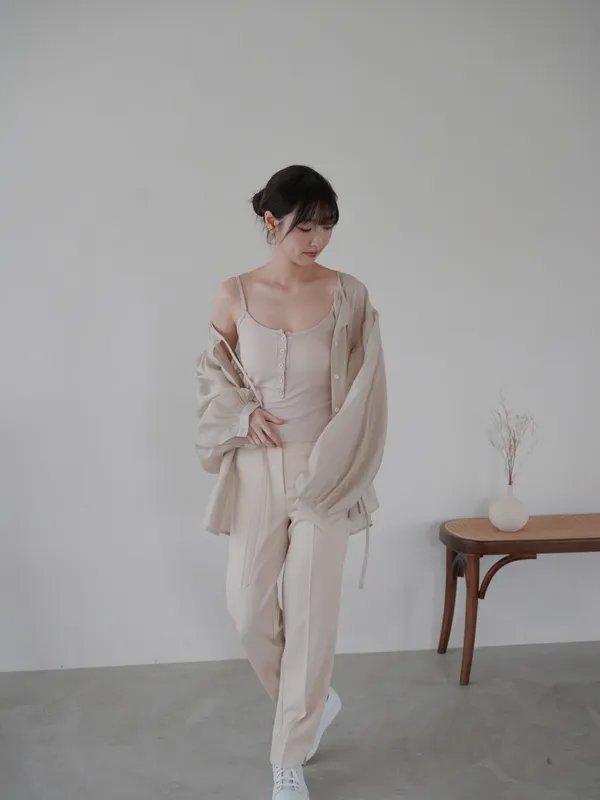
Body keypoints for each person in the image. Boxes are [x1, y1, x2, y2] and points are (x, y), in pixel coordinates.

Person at [195, 165, 387, 800]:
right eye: (305, 227)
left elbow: (368, 386)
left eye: (328, 226)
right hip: (257, 468)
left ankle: (288, 758)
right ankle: (311, 702)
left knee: (309, 613)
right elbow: (212, 373)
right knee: (247, 608)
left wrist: (341, 458)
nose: (318, 240)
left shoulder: (348, 294)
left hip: (325, 471)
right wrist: (242, 413)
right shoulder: (234, 293)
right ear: (272, 222)